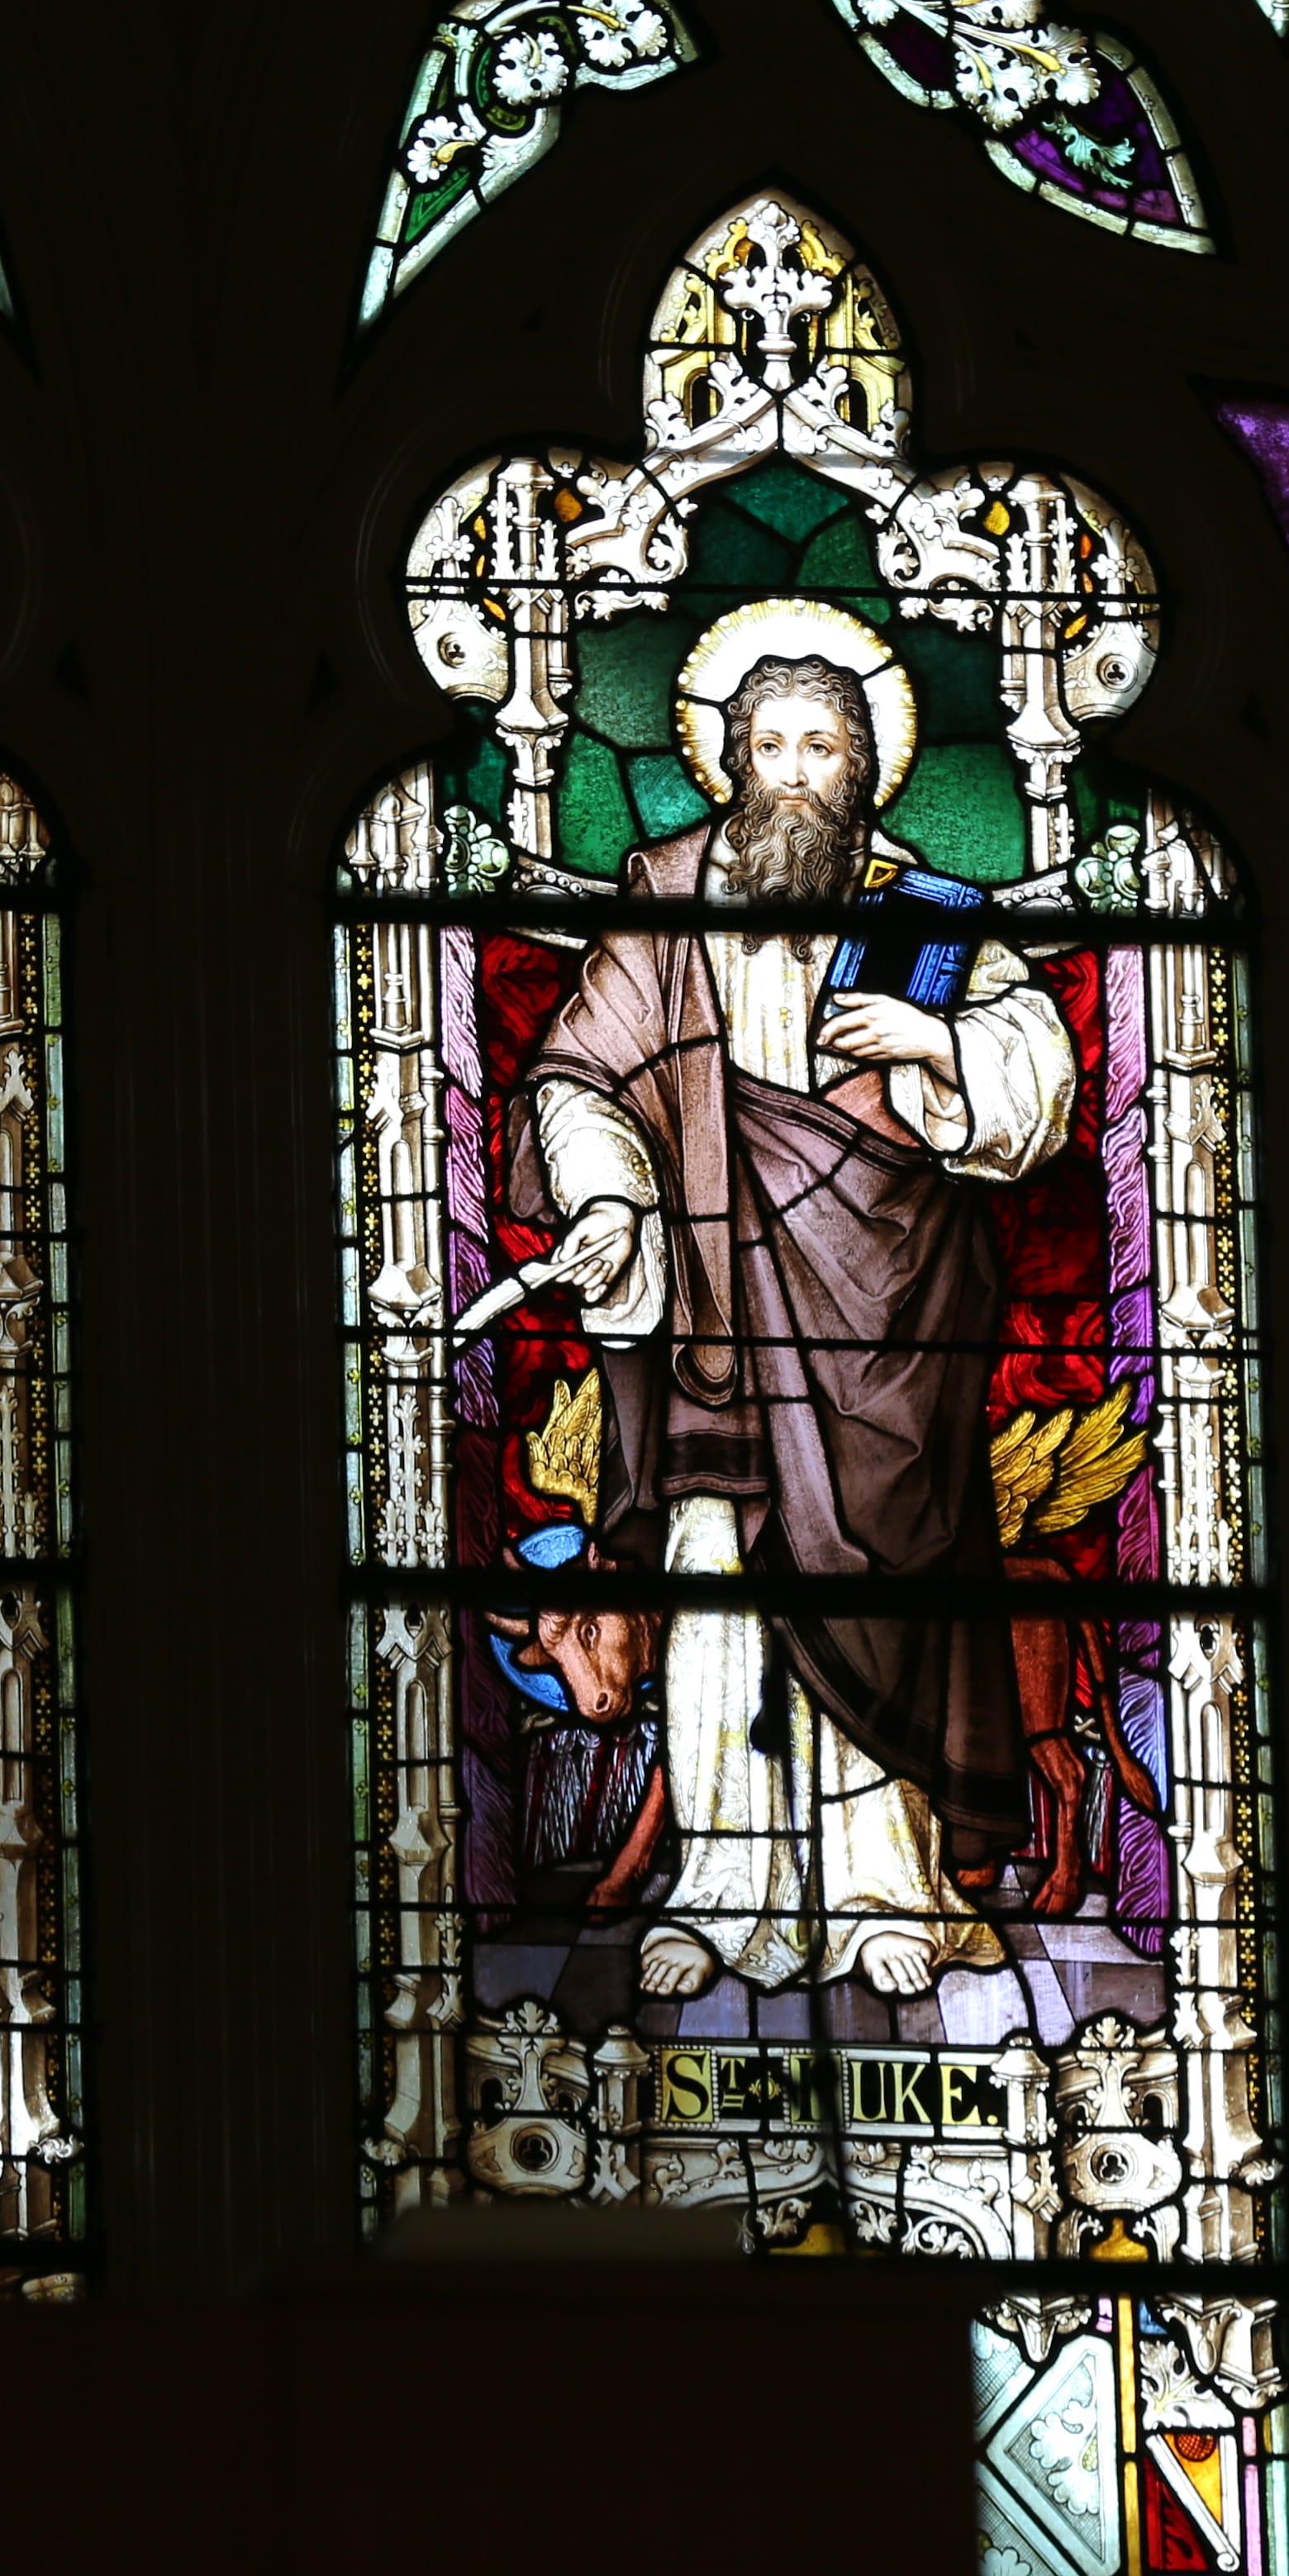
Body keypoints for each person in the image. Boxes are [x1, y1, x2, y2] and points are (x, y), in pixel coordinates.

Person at [508, 603, 1078, 1999]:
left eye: (825, 746)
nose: (796, 771)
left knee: (879, 1588)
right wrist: (607, 1199)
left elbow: (1036, 1074)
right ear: (727, 760)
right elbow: (578, 1076)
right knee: (714, 1594)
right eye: (770, 743)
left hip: (885, 1323)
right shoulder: (666, 896)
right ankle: (725, 1883)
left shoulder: (919, 911)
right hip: (711, 1306)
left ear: (866, 764)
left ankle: (883, 1886)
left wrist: (936, 1036)